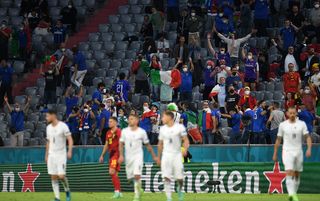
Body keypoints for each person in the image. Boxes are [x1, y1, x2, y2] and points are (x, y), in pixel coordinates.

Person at [272, 107, 312, 201]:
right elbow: (278, 139)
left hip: (298, 151)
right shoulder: (283, 125)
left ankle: (294, 193)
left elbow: (307, 137)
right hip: (287, 151)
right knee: (289, 171)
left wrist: (309, 148)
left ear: (296, 114)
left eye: (294, 113)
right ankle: (291, 195)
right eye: (291, 113)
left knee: (297, 173)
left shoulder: (302, 124)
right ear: (287, 114)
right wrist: (275, 153)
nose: (292, 114)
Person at [118, 114, 157, 201]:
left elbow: (147, 145)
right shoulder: (124, 131)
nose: (130, 120)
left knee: (137, 174)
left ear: (137, 121)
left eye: (132, 119)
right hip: (128, 157)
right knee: (130, 178)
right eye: (129, 119)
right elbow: (121, 144)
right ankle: (137, 186)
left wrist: (154, 156)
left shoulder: (141, 132)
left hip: (138, 156)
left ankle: (137, 195)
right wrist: (121, 155)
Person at [156, 110, 190, 201]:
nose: (162, 118)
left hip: (177, 155)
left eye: (163, 116)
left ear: (169, 117)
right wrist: (159, 157)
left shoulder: (179, 127)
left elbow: (186, 140)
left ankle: (179, 189)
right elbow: (160, 144)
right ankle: (169, 198)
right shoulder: (162, 129)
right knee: (166, 177)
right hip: (166, 155)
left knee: (179, 178)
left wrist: (185, 149)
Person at [45, 109, 73, 201]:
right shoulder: (48, 128)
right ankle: (57, 197)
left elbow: (70, 139)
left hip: (61, 154)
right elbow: (48, 142)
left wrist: (69, 151)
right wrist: (46, 155)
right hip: (51, 155)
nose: (46, 118)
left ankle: (67, 190)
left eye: (48, 116)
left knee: (61, 176)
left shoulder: (63, 126)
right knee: (53, 176)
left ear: (53, 115)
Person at [99, 117, 123, 199]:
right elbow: (106, 145)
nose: (109, 123)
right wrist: (102, 155)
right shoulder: (108, 132)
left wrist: (121, 155)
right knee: (114, 174)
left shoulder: (118, 131)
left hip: (116, 154)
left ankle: (116, 192)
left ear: (115, 123)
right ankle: (119, 192)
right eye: (108, 121)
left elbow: (121, 143)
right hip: (111, 154)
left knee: (111, 172)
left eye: (111, 121)